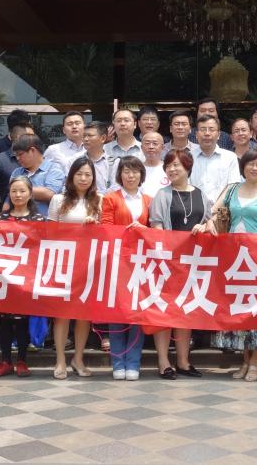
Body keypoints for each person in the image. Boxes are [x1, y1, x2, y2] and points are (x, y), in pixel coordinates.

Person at [202, 150, 257, 382]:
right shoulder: (232, 190)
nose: (254, 168)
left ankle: (256, 360)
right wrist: (210, 223)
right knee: (241, 311)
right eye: (250, 164)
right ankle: (244, 360)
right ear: (243, 166)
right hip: (235, 259)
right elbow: (214, 212)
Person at [148, 150, 211, 379]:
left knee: (186, 310)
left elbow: (210, 221)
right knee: (164, 311)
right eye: (168, 166)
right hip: (167, 262)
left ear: (187, 167)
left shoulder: (201, 194)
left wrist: (205, 227)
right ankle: (163, 361)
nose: (172, 169)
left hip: (193, 263)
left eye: (177, 165)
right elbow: (156, 226)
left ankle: (183, 361)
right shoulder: (162, 194)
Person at [47, 157, 102, 379]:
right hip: (63, 263)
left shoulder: (99, 200)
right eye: (79, 174)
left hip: (89, 264)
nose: (83, 178)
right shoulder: (58, 200)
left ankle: (78, 358)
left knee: (83, 315)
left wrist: (94, 227)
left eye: (88, 174)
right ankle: (60, 359)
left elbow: (107, 233)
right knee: (62, 314)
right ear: (71, 176)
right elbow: (49, 233)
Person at [100, 156, 152, 381]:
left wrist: (143, 230)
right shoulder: (111, 198)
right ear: (120, 175)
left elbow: (154, 230)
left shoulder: (149, 200)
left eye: (135, 171)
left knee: (136, 314)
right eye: (126, 171)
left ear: (141, 175)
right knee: (117, 313)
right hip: (117, 261)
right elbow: (106, 228)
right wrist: (127, 232)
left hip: (140, 263)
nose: (131, 176)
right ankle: (117, 362)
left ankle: (133, 362)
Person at [0, 176, 43, 378]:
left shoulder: (39, 220)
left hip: (27, 277)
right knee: (5, 321)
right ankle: (5, 360)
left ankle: (22, 360)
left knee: (22, 321)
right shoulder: (1, 219)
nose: (18, 195)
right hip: (5, 276)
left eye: (22, 191)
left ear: (30, 194)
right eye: (13, 191)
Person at [8, 134, 64, 217]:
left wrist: (19, 190)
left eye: (20, 154)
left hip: (45, 221)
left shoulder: (54, 169)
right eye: (16, 155)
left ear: (32, 150)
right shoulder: (17, 172)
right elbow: (9, 199)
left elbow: (49, 194)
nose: (17, 158)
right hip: (18, 221)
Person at [190, 114, 240, 204]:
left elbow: (232, 186)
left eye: (211, 129)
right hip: (194, 209)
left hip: (222, 210)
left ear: (218, 135)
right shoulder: (188, 157)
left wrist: (215, 209)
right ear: (196, 135)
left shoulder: (230, 157)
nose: (207, 133)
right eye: (203, 129)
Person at [0, 121, 36, 204]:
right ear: (18, 137)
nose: (33, 139)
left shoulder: (36, 159)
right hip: (7, 210)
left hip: (34, 209)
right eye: (29, 136)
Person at [82, 121, 118, 193]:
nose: (85, 139)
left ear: (103, 138)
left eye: (90, 135)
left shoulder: (115, 162)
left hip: (107, 199)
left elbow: (116, 187)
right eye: (84, 136)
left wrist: (99, 196)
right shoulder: (74, 160)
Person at [140, 131, 169, 196]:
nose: (151, 147)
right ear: (141, 147)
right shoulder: (136, 169)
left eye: (155, 143)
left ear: (163, 147)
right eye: (147, 143)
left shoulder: (169, 169)